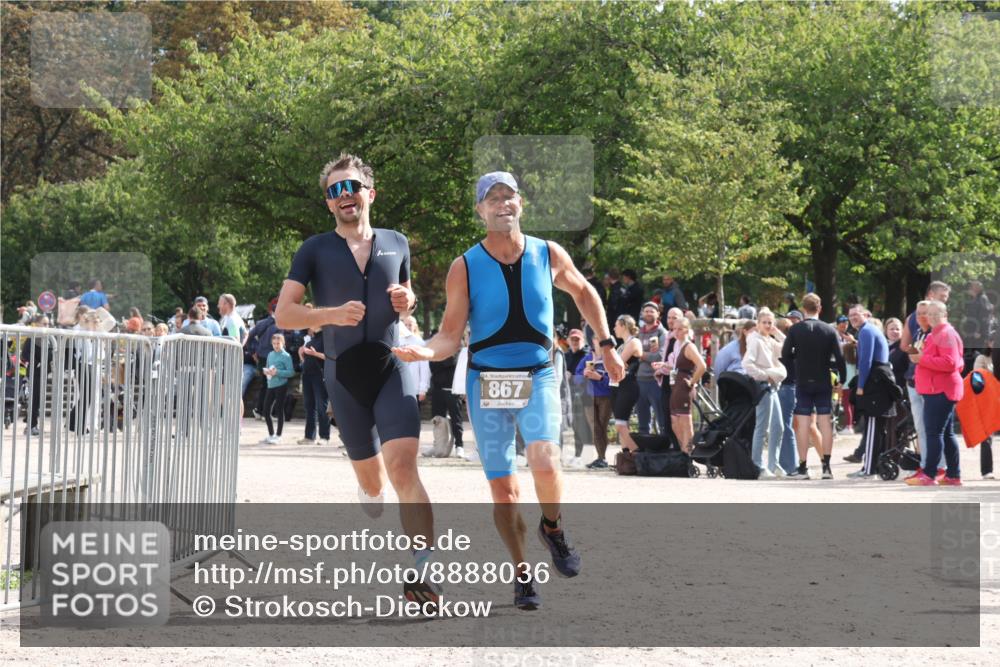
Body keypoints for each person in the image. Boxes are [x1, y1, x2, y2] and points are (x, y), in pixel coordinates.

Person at [393, 171, 624, 611]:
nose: (502, 204)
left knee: (545, 457)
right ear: (480, 210)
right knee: (504, 491)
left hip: (537, 374)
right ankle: (522, 575)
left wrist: (605, 342)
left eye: (509, 196)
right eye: (492, 198)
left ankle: (552, 528)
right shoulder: (465, 265)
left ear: (521, 203)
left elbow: (584, 291)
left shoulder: (546, 253)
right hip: (487, 382)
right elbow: (449, 334)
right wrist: (424, 352)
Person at [275, 153, 439, 607]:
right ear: (329, 203)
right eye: (335, 190)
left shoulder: (397, 241)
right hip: (342, 375)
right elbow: (284, 313)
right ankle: (368, 483)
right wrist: (329, 314)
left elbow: (402, 305)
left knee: (405, 469)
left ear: (370, 193)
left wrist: (406, 302)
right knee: (373, 485)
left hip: (391, 367)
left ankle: (422, 576)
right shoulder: (314, 249)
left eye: (352, 187)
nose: (344, 196)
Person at [781, 292, 846, 479]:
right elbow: (840, 358)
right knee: (824, 422)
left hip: (802, 380)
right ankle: (826, 466)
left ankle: (802, 467)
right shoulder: (829, 330)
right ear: (820, 309)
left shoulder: (795, 330)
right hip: (823, 380)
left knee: (803, 424)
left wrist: (796, 361)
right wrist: (841, 379)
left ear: (803, 309)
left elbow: (786, 354)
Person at [907, 300, 964, 486]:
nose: (930, 317)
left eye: (935, 314)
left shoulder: (946, 334)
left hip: (940, 390)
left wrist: (922, 359)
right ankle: (953, 475)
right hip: (936, 389)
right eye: (928, 314)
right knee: (945, 434)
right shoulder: (935, 334)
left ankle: (930, 474)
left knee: (933, 432)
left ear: (945, 315)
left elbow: (951, 363)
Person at [847, 305, 898, 479]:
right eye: (851, 315)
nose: (853, 317)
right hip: (880, 381)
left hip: (874, 383)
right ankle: (873, 466)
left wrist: (860, 386)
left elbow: (865, 361)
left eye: (857, 314)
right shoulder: (869, 330)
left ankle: (869, 469)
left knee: (873, 427)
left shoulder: (866, 331)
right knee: (877, 429)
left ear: (866, 315)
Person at [742, 308, 786, 477]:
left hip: (772, 386)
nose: (768, 325)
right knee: (762, 426)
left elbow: (788, 349)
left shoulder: (769, 339)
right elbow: (747, 364)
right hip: (763, 386)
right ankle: (758, 466)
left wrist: (777, 332)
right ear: (758, 323)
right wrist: (765, 375)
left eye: (770, 322)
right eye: (765, 322)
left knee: (778, 426)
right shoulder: (755, 340)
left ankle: (773, 464)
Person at [664, 317, 706, 454]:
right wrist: (665, 366)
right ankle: (683, 451)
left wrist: (692, 382)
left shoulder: (689, 346)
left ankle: (689, 454)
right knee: (675, 422)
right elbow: (675, 367)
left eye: (680, 329)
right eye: (674, 329)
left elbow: (702, 366)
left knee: (685, 421)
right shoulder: (677, 344)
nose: (676, 332)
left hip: (684, 386)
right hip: (675, 385)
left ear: (687, 330)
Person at [576, 334, 613, 470]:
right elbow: (576, 380)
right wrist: (584, 375)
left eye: (601, 339)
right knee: (595, 427)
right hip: (588, 397)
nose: (599, 341)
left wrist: (600, 378)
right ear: (593, 341)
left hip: (605, 397)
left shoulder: (609, 358)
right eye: (596, 339)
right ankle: (601, 457)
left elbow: (614, 381)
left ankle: (602, 457)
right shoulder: (586, 359)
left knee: (602, 426)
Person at [609, 315, 644, 457]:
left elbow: (617, 362)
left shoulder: (634, 342)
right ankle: (626, 457)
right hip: (618, 385)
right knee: (622, 424)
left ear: (623, 325)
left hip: (629, 385)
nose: (614, 328)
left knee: (620, 424)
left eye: (616, 325)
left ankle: (638, 454)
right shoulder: (622, 345)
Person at [635, 302, 668, 435]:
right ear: (642, 314)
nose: (648, 313)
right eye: (646, 311)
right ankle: (645, 450)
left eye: (652, 311)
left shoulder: (662, 333)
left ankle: (665, 450)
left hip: (656, 380)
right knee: (642, 421)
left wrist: (641, 354)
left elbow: (659, 356)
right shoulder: (638, 332)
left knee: (662, 420)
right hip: (640, 379)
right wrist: (646, 355)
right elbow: (632, 353)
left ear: (658, 314)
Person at [297, 324, 331, 446]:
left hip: (319, 375)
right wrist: (301, 354)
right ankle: (309, 436)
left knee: (322, 406)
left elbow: (330, 357)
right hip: (307, 375)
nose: (310, 325)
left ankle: (324, 436)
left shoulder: (327, 338)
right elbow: (305, 360)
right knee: (309, 406)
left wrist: (315, 354)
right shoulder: (311, 339)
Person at [564, 329, 593, 465]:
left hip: (586, 394)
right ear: (569, 341)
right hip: (571, 394)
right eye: (572, 339)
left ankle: (589, 455)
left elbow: (587, 373)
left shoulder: (587, 355)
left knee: (586, 425)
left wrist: (573, 376)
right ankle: (578, 454)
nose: (575, 342)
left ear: (583, 340)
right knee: (576, 425)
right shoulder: (566, 355)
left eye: (577, 339)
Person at [260, 333, 294, 444]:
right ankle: (271, 434)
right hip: (270, 385)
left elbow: (291, 372)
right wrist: (267, 372)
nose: (276, 346)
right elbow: (268, 366)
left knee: (279, 411)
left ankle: (278, 436)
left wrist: (277, 372)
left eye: (278, 343)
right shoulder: (270, 354)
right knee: (265, 411)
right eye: (274, 344)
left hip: (281, 386)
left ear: (283, 343)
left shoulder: (286, 356)